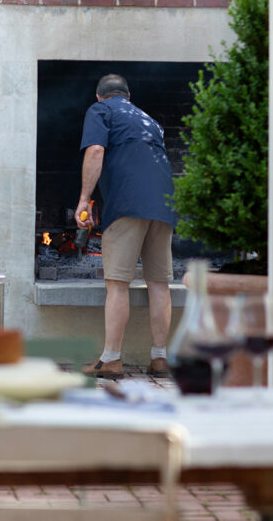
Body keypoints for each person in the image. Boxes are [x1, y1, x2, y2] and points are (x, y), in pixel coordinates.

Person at [75, 74, 176, 379]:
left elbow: (95, 151)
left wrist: (84, 200)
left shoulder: (101, 111)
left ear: (98, 96)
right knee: (159, 283)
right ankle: (160, 359)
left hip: (128, 204)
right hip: (163, 205)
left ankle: (111, 359)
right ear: (128, 96)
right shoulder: (149, 120)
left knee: (117, 283)